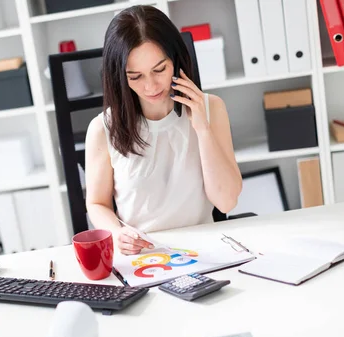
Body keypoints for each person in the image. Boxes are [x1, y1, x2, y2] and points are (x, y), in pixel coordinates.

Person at [84, 5, 242, 255]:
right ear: (119, 78)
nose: (151, 86)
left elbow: (226, 201)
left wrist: (202, 128)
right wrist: (117, 233)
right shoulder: (103, 129)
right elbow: (96, 203)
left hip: (205, 251)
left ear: (176, 60)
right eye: (135, 77)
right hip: (144, 256)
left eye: (159, 70)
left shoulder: (212, 109)